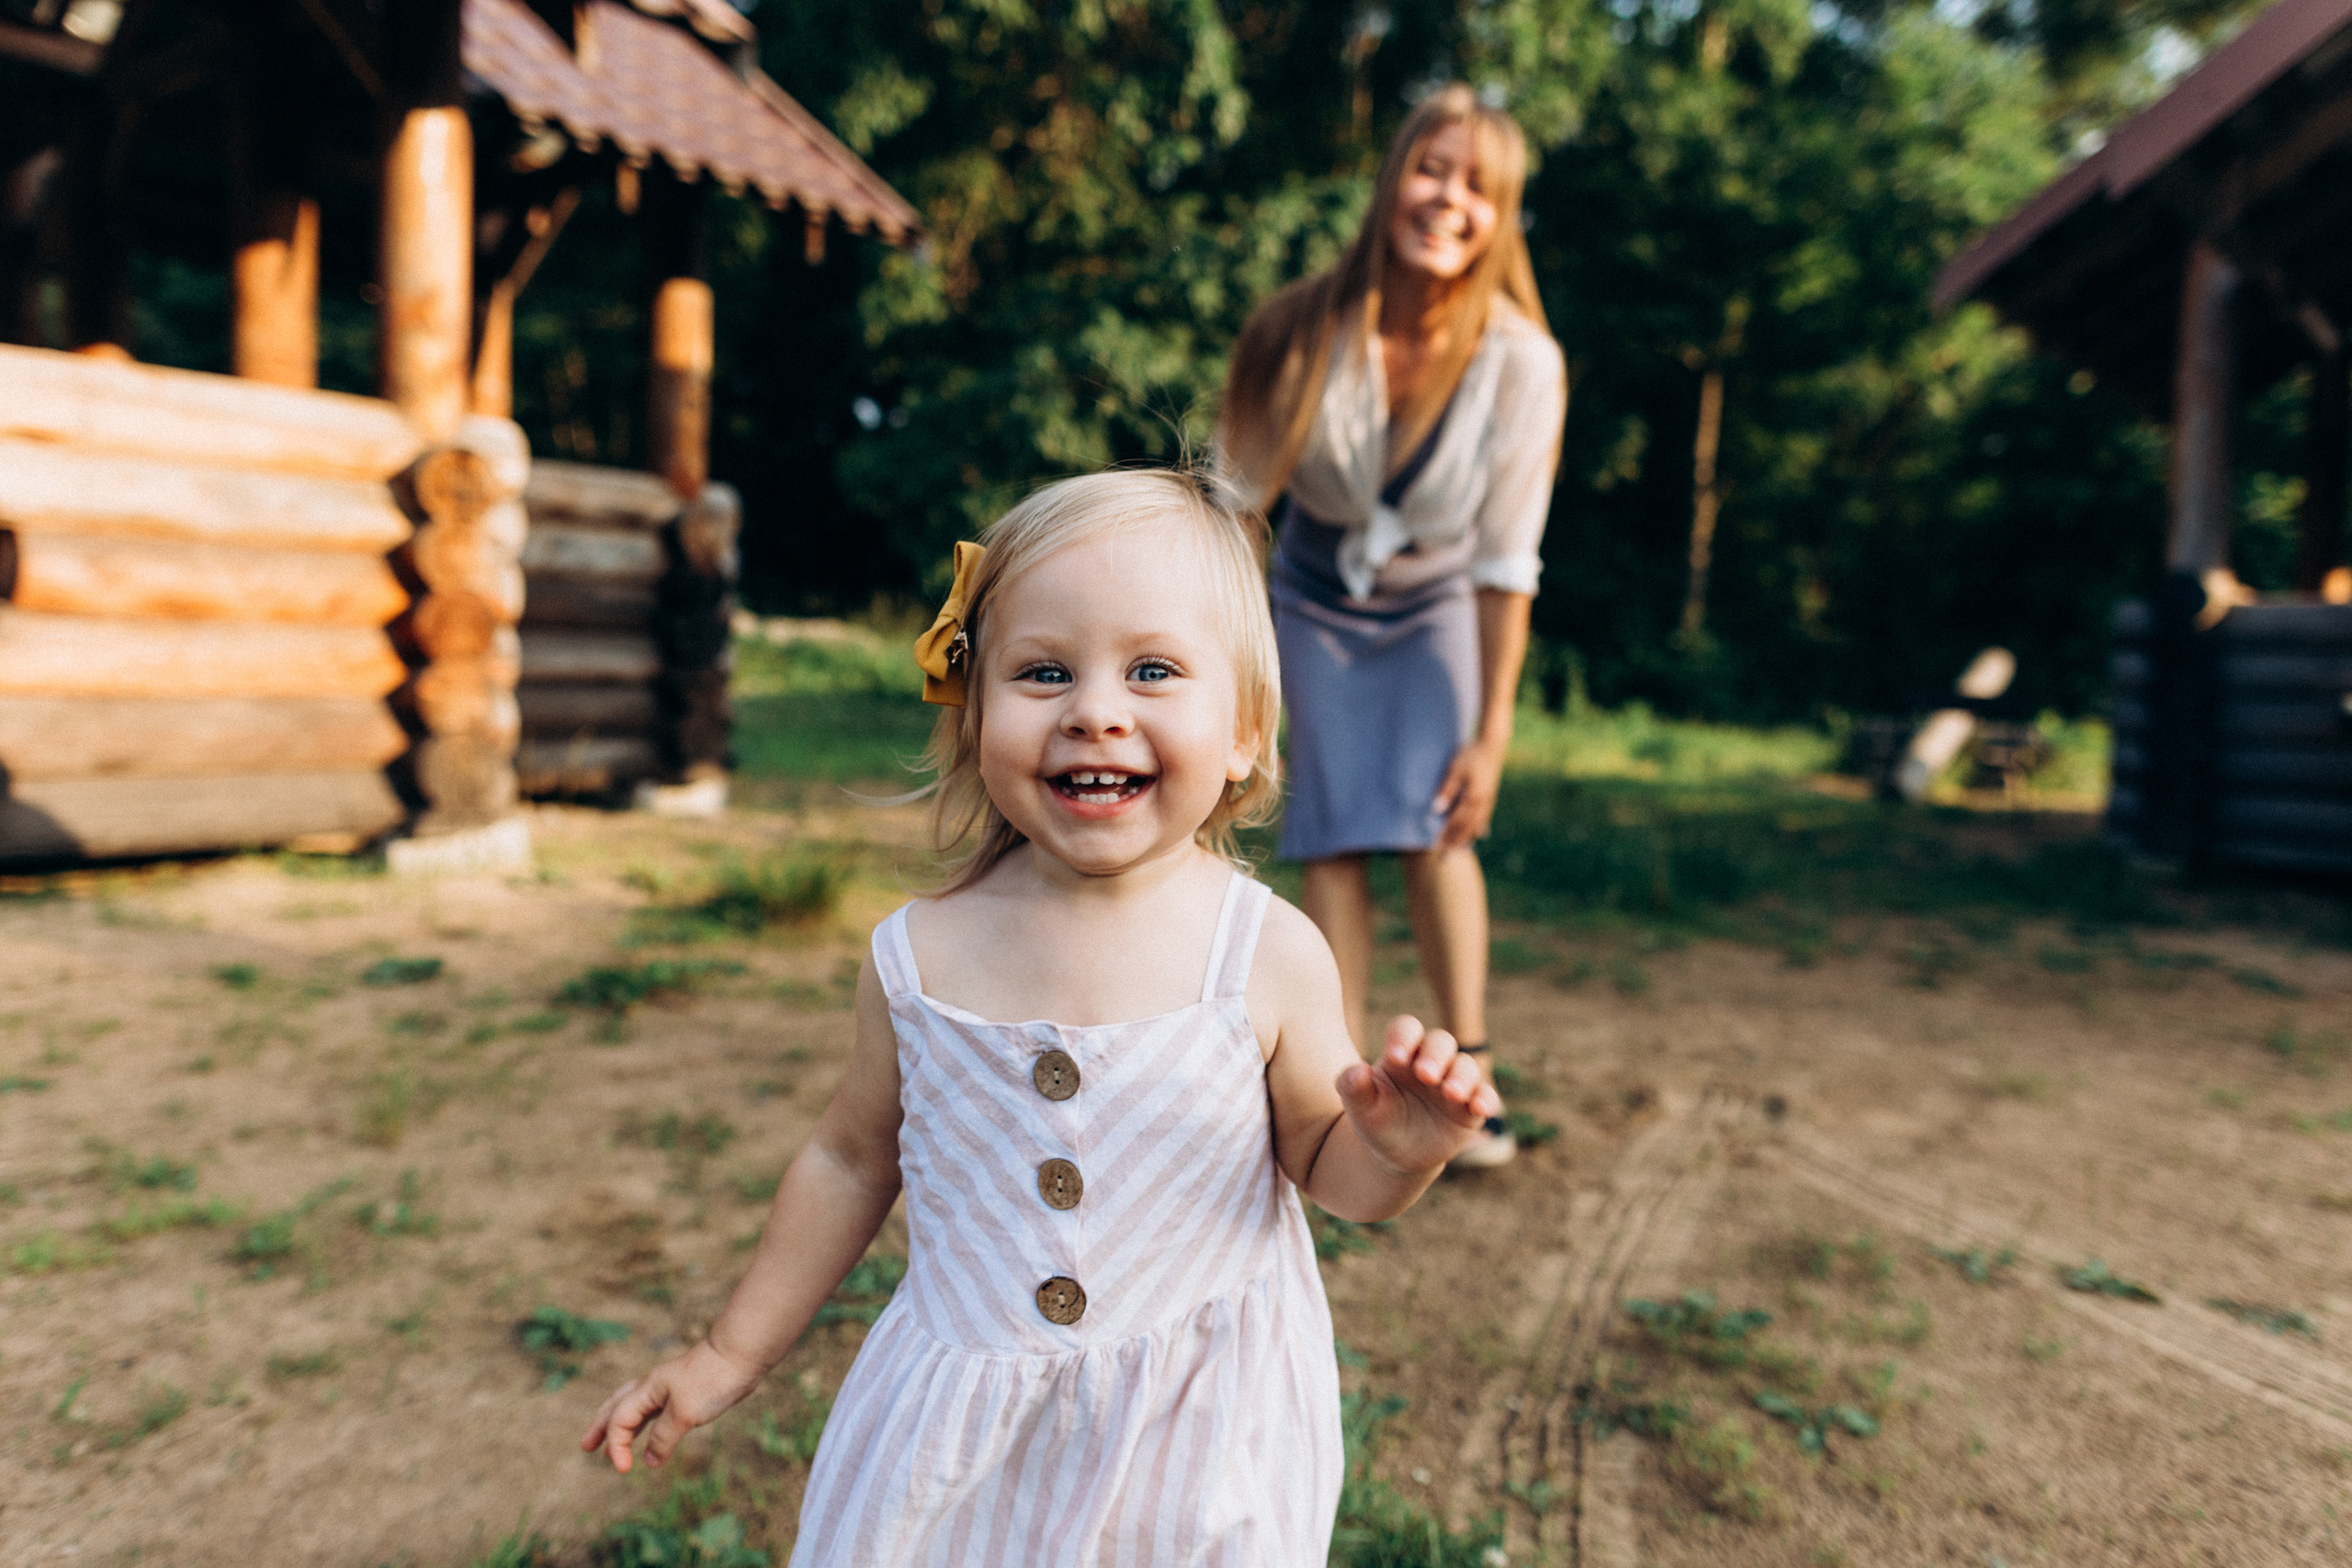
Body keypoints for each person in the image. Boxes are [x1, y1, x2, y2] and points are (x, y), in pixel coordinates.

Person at [581, 469, 1501, 1564]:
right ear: (973, 717)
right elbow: (846, 1160)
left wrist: (1397, 1152)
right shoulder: (917, 957)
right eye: (1044, 671)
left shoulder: (1260, 951)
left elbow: (1327, 1165)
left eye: (1153, 670)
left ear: (1246, 731)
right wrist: (728, 1354)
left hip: (1193, 1447)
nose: (1095, 709)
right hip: (960, 1443)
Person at [1218, 85, 1567, 1168]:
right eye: (1431, 169)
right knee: (1328, 831)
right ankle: (1332, 1086)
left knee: (1438, 824)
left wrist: (1494, 732)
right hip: (1312, 594)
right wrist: (1224, 669)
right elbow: (1237, 511)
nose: (1447, 199)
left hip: (1436, 604)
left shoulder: (1523, 362)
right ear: (1390, 180)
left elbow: (1509, 563)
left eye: (1478, 186)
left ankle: (1472, 1083)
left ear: (1500, 216)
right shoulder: (1299, 328)